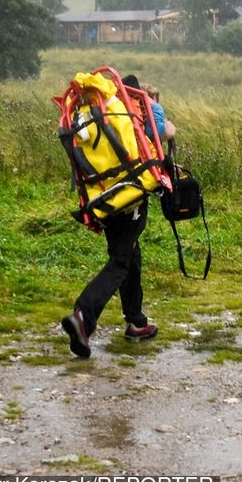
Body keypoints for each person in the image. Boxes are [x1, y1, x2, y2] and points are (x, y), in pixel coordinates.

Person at [61, 73, 175, 359]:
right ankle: (83, 317)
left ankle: (135, 321)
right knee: (121, 261)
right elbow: (154, 137)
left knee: (129, 254)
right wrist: (168, 131)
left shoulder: (96, 111)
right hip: (130, 195)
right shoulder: (130, 110)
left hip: (103, 196)